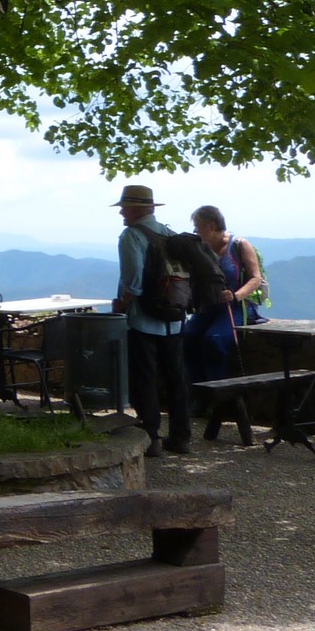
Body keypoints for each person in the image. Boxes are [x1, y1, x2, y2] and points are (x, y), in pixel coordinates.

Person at [114, 183, 190, 456]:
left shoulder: (131, 236)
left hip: (143, 319)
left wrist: (121, 305)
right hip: (174, 319)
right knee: (176, 378)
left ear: (136, 209)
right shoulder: (171, 235)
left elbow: (133, 281)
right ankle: (181, 437)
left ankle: (151, 438)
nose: (121, 212)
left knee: (144, 379)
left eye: (124, 207)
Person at [182, 205, 267, 385]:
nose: (195, 231)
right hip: (210, 305)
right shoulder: (201, 249)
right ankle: (196, 389)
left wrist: (235, 295)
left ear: (211, 226)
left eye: (197, 226)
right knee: (188, 336)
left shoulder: (239, 245)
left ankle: (216, 389)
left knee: (215, 340)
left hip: (237, 306)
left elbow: (255, 278)